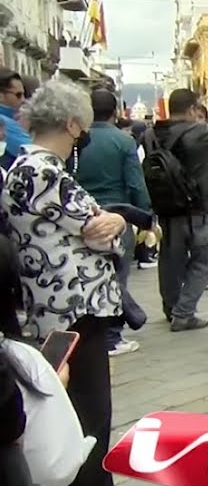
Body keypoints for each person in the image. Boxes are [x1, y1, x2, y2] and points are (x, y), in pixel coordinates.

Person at [0, 80, 141, 486]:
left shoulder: (21, 167)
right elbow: (100, 232)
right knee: (90, 419)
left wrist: (113, 222)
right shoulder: (47, 172)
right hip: (76, 307)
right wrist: (118, 224)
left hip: (49, 307)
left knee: (77, 413)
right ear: (74, 124)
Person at [148, 89, 208, 330]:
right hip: (199, 206)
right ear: (192, 109)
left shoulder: (153, 133)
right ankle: (184, 313)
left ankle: (171, 307)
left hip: (168, 205)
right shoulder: (197, 132)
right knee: (202, 262)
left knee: (170, 260)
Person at [73, 89, 151, 357]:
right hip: (118, 216)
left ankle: (90, 331)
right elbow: (135, 182)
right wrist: (145, 217)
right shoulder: (123, 141)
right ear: (116, 111)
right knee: (117, 276)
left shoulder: (77, 138)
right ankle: (112, 335)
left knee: (87, 276)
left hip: (81, 215)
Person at [0, 69, 30, 168]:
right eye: (18, 95)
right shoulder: (3, 122)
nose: (23, 100)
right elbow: (32, 150)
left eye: (23, 95)